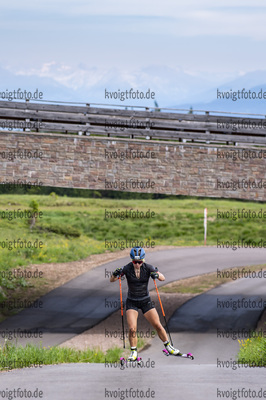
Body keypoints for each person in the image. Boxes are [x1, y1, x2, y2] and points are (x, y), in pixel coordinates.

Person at [110, 246, 180, 361]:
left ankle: (168, 346)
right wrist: (114, 274)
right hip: (132, 301)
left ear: (143, 260)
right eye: (135, 262)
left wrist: (156, 275)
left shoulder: (148, 268)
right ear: (131, 260)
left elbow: (163, 278)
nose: (137, 264)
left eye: (139, 262)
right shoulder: (127, 268)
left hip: (145, 301)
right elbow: (112, 280)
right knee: (132, 328)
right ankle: (133, 352)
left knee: (157, 325)